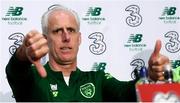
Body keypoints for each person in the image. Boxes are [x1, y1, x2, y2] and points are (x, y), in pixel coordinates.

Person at [6, 5, 169, 102]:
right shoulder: (32, 78)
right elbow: (15, 70)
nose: (66, 37)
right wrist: (23, 53)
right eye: (57, 31)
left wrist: (151, 76)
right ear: (45, 39)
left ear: (79, 38)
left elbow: (128, 93)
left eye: (71, 30)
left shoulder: (97, 79)